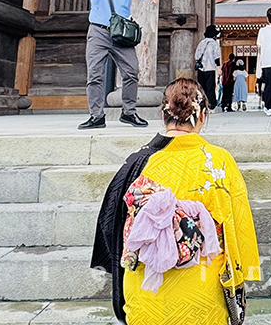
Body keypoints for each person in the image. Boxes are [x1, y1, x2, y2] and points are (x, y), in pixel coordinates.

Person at [91, 78, 261, 324]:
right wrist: (241, 274)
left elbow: (111, 226)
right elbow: (240, 227)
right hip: (202, 294)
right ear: (202, 116)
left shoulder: (137, 162)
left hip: (145, 293)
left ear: (163, 115)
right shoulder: (220, 161)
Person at [82, 0, 158, 130]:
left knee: (131, 71)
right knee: (94, 75)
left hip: (120, 33)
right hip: (98, 32)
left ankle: (129, 112)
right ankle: (96, 116)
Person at [194, 25, 222, 110]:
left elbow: (197, 56)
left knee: (201, 87)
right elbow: (216, 57)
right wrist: (218, 67)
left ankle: (202, 103)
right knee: (210, 87)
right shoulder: (214, 43)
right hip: (210, 68)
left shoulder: (201, 43)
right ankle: (210, 104)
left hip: (201, 68)